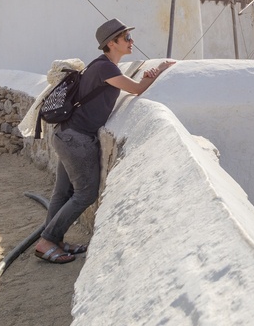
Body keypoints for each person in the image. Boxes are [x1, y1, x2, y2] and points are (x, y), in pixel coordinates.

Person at [34, 18, 174, 263]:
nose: (132, 42)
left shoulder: (100, 65)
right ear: (112, 43)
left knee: (63, 192)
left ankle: (52, 241)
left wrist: (146, 77)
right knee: (85, 194)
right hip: (77, 138)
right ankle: (47, 240)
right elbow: (137, 89)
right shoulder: (106, 68)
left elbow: (133, 85)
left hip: (65, 134)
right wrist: (159, 70)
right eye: (126, 38)